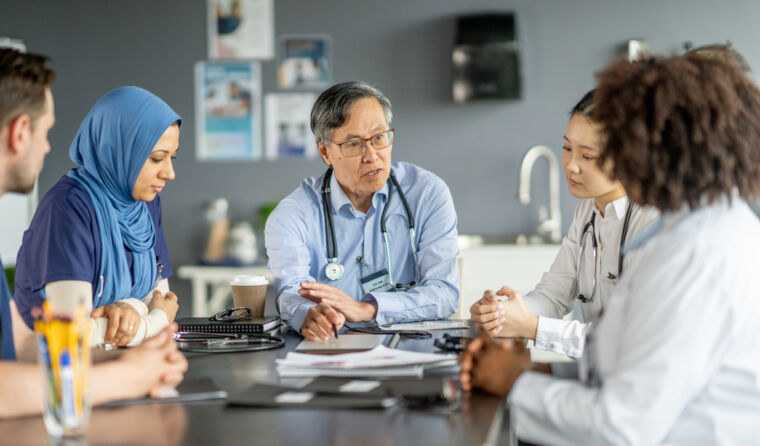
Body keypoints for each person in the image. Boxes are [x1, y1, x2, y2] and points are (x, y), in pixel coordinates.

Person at [460, 55, 760, 444]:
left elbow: (623, 426)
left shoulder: (699, 252)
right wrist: (538, 374)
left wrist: (517, 382)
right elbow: (623, 360)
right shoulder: (690, 228)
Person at [0, 48, 186, 418]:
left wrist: (138, 349)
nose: (50, 146)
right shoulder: (69, 206)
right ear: (22, 132)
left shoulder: (144, 203)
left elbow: (21, 342)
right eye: (47, 131)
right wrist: (130, 366)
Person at [468, 90, 659, 358]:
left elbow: (624, 341)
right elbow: (554, 294)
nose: (570, 165)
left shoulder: (651, 222)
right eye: (568, 148)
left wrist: (532, 326)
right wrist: (504, 311)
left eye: (587, 156)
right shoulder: (586, 212)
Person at [265, 81, 460, 341]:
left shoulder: (427, 193)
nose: (371, 156)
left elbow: (445, 293)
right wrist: (308, 314)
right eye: (354, 144)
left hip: (411, 348)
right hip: (330, 350)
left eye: (379, 138)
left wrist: (369, 309)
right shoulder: (292, 215)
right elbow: (290, 292)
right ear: (325, 152)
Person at [12, 85, 181, 351]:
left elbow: (162, 298)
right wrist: (153, 321)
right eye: (156, 158)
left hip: (120, 364)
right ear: (119, 149)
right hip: (52, 373)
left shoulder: (145, 204)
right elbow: (70, 334)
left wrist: (131, 309)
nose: (169, 173)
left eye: (172, 157)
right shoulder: (68, 208)